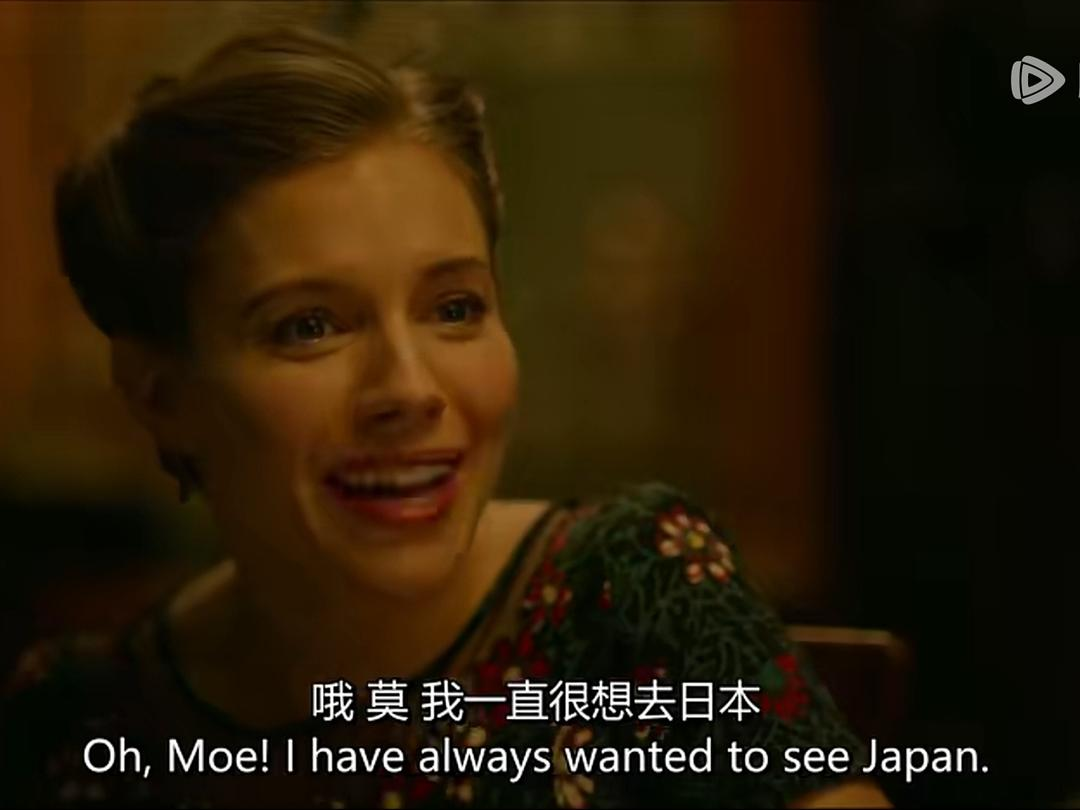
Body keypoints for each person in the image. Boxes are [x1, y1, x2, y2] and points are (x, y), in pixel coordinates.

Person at [1, 27, 890, 809]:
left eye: (455, 308)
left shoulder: (629, 593)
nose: (411, 388)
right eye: (309, 326)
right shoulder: (78, 716)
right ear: (163, 396)